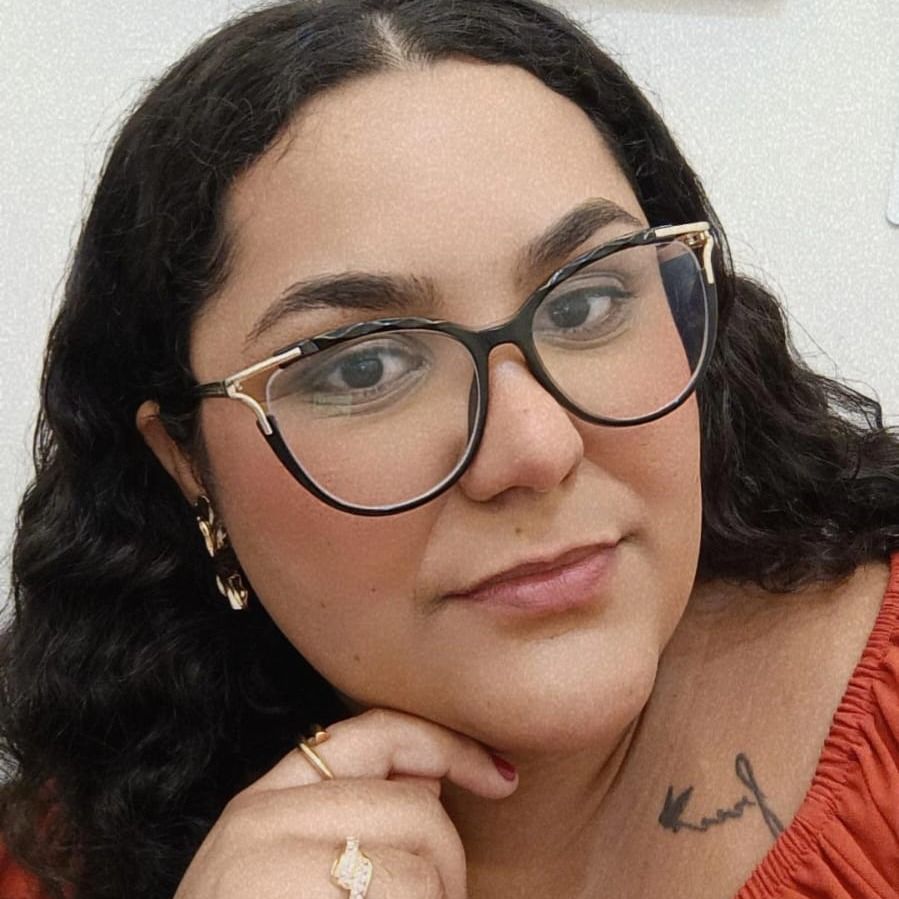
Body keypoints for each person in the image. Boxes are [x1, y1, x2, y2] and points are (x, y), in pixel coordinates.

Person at [1, 1, 897, 897]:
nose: (534, 448)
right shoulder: (67, 860)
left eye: (586, 304)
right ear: (188, 465)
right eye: (364, 367)